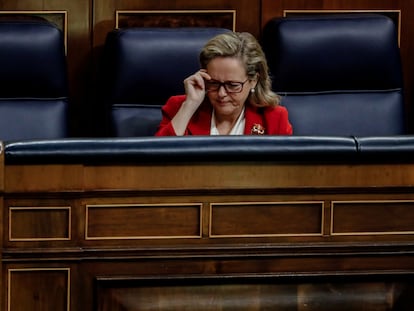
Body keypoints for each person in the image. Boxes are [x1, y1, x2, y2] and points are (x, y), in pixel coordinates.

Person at [155, 31, 293, 136]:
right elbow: (156, 161)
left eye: (232, 85)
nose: (221, 94)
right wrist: (190, 105)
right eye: (213, 83)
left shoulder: (274, 118)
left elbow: (286, 170)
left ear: (253, 81)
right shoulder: (179, 108)